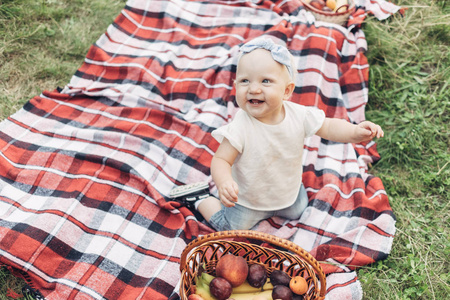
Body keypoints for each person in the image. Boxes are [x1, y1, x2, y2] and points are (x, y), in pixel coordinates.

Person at [169, 37, 384, 231]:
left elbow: (328, 126)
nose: (253, 89)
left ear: (287, 91)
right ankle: (200, 198)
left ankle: (282, 204)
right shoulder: (241, 125)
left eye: (265, 81)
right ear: (235, 87)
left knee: (300, 210)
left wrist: (355, 131)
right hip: (248, 200)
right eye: (245, 81)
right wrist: (224, 182)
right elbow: (221, 160)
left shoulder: (298, 115)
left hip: (288, 194)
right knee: (229, 228)